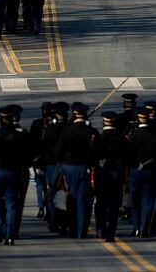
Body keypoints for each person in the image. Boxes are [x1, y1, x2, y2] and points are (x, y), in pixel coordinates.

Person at [0, 105, 33, 245]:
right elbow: (28, 155)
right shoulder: (20, 136)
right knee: (11, 203)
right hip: (14, 172)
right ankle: (10, 235)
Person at [55, 102, 97, 239]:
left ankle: (72, 230)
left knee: (71, 199)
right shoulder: (90, 131)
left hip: (68, 167)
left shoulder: (67, 130)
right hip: (84, 168)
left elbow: (59, 151)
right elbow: (94, 151)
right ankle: (81, 231)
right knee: (83, 200)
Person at [127, 106, 156, 239]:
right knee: (148, 200)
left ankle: (136, 227)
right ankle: (144, 228)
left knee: (135, 201)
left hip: (135, 171)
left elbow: (128, 154)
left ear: (139, 118)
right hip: (150, 171)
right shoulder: (155, 135)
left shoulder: (133, 135)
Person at [93, 111, 131, 243]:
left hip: (102, 174)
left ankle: (100, 230)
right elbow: (127, 158)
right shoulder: (121, 139)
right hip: (116, 174)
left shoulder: (98, 138)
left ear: (104, 122)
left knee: (101, 203)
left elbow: (93, 157)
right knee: (114, 205)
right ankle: (110, 233)